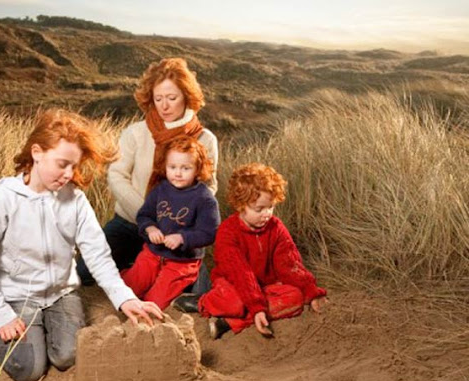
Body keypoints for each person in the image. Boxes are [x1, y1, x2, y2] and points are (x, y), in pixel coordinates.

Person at [0, 109, 163, 381]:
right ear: (37, 153)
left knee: (68, 357)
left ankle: (46, 324)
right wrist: (1, 315)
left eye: (74, 166)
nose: (69, 174)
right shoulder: (4, 198)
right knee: (30, 369)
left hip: (60, 294)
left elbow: (98, 257)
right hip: (15, 295)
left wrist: (125, 298)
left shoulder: (76, 201)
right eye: (62, 164)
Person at [77, 57, 218, 291]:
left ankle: (154, 269)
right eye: (158, 98)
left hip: (179, 230)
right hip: (130, 222)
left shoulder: (205, 138)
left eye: (172, 98)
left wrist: (175, 223)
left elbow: (209, 186)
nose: (164, 106)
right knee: (84, 274)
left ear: (187, 97)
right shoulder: (135, 133)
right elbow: (117, 177)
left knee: (197, 291)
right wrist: (149, 218)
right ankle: (137, 264)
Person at [173, 163, 327, 340]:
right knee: (235, 303)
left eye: (270, 207)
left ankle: (228, 323)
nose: (266, 214)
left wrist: (312, 292)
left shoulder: (276, 227)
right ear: (240, 206)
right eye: (258, 209)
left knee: (296, 297)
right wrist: (257, 307)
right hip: (233, 283)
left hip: (265, 286)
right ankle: (202, 301)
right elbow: (241, 274)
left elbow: (290, 266)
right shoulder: (228, 231)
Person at [121, 136, 220, 309]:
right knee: (128, 290)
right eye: (172, 167)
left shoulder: (205, 198)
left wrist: (183, 238)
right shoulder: (161, 189)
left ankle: (191, 288)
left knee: (155, 303)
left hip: (181, 262)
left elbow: (209, 233)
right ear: (165, 166)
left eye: (186, 168)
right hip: (153, 253)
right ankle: (131, 273)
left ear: (198, 169)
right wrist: (150, 228)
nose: (178, 173)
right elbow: (144, 215)